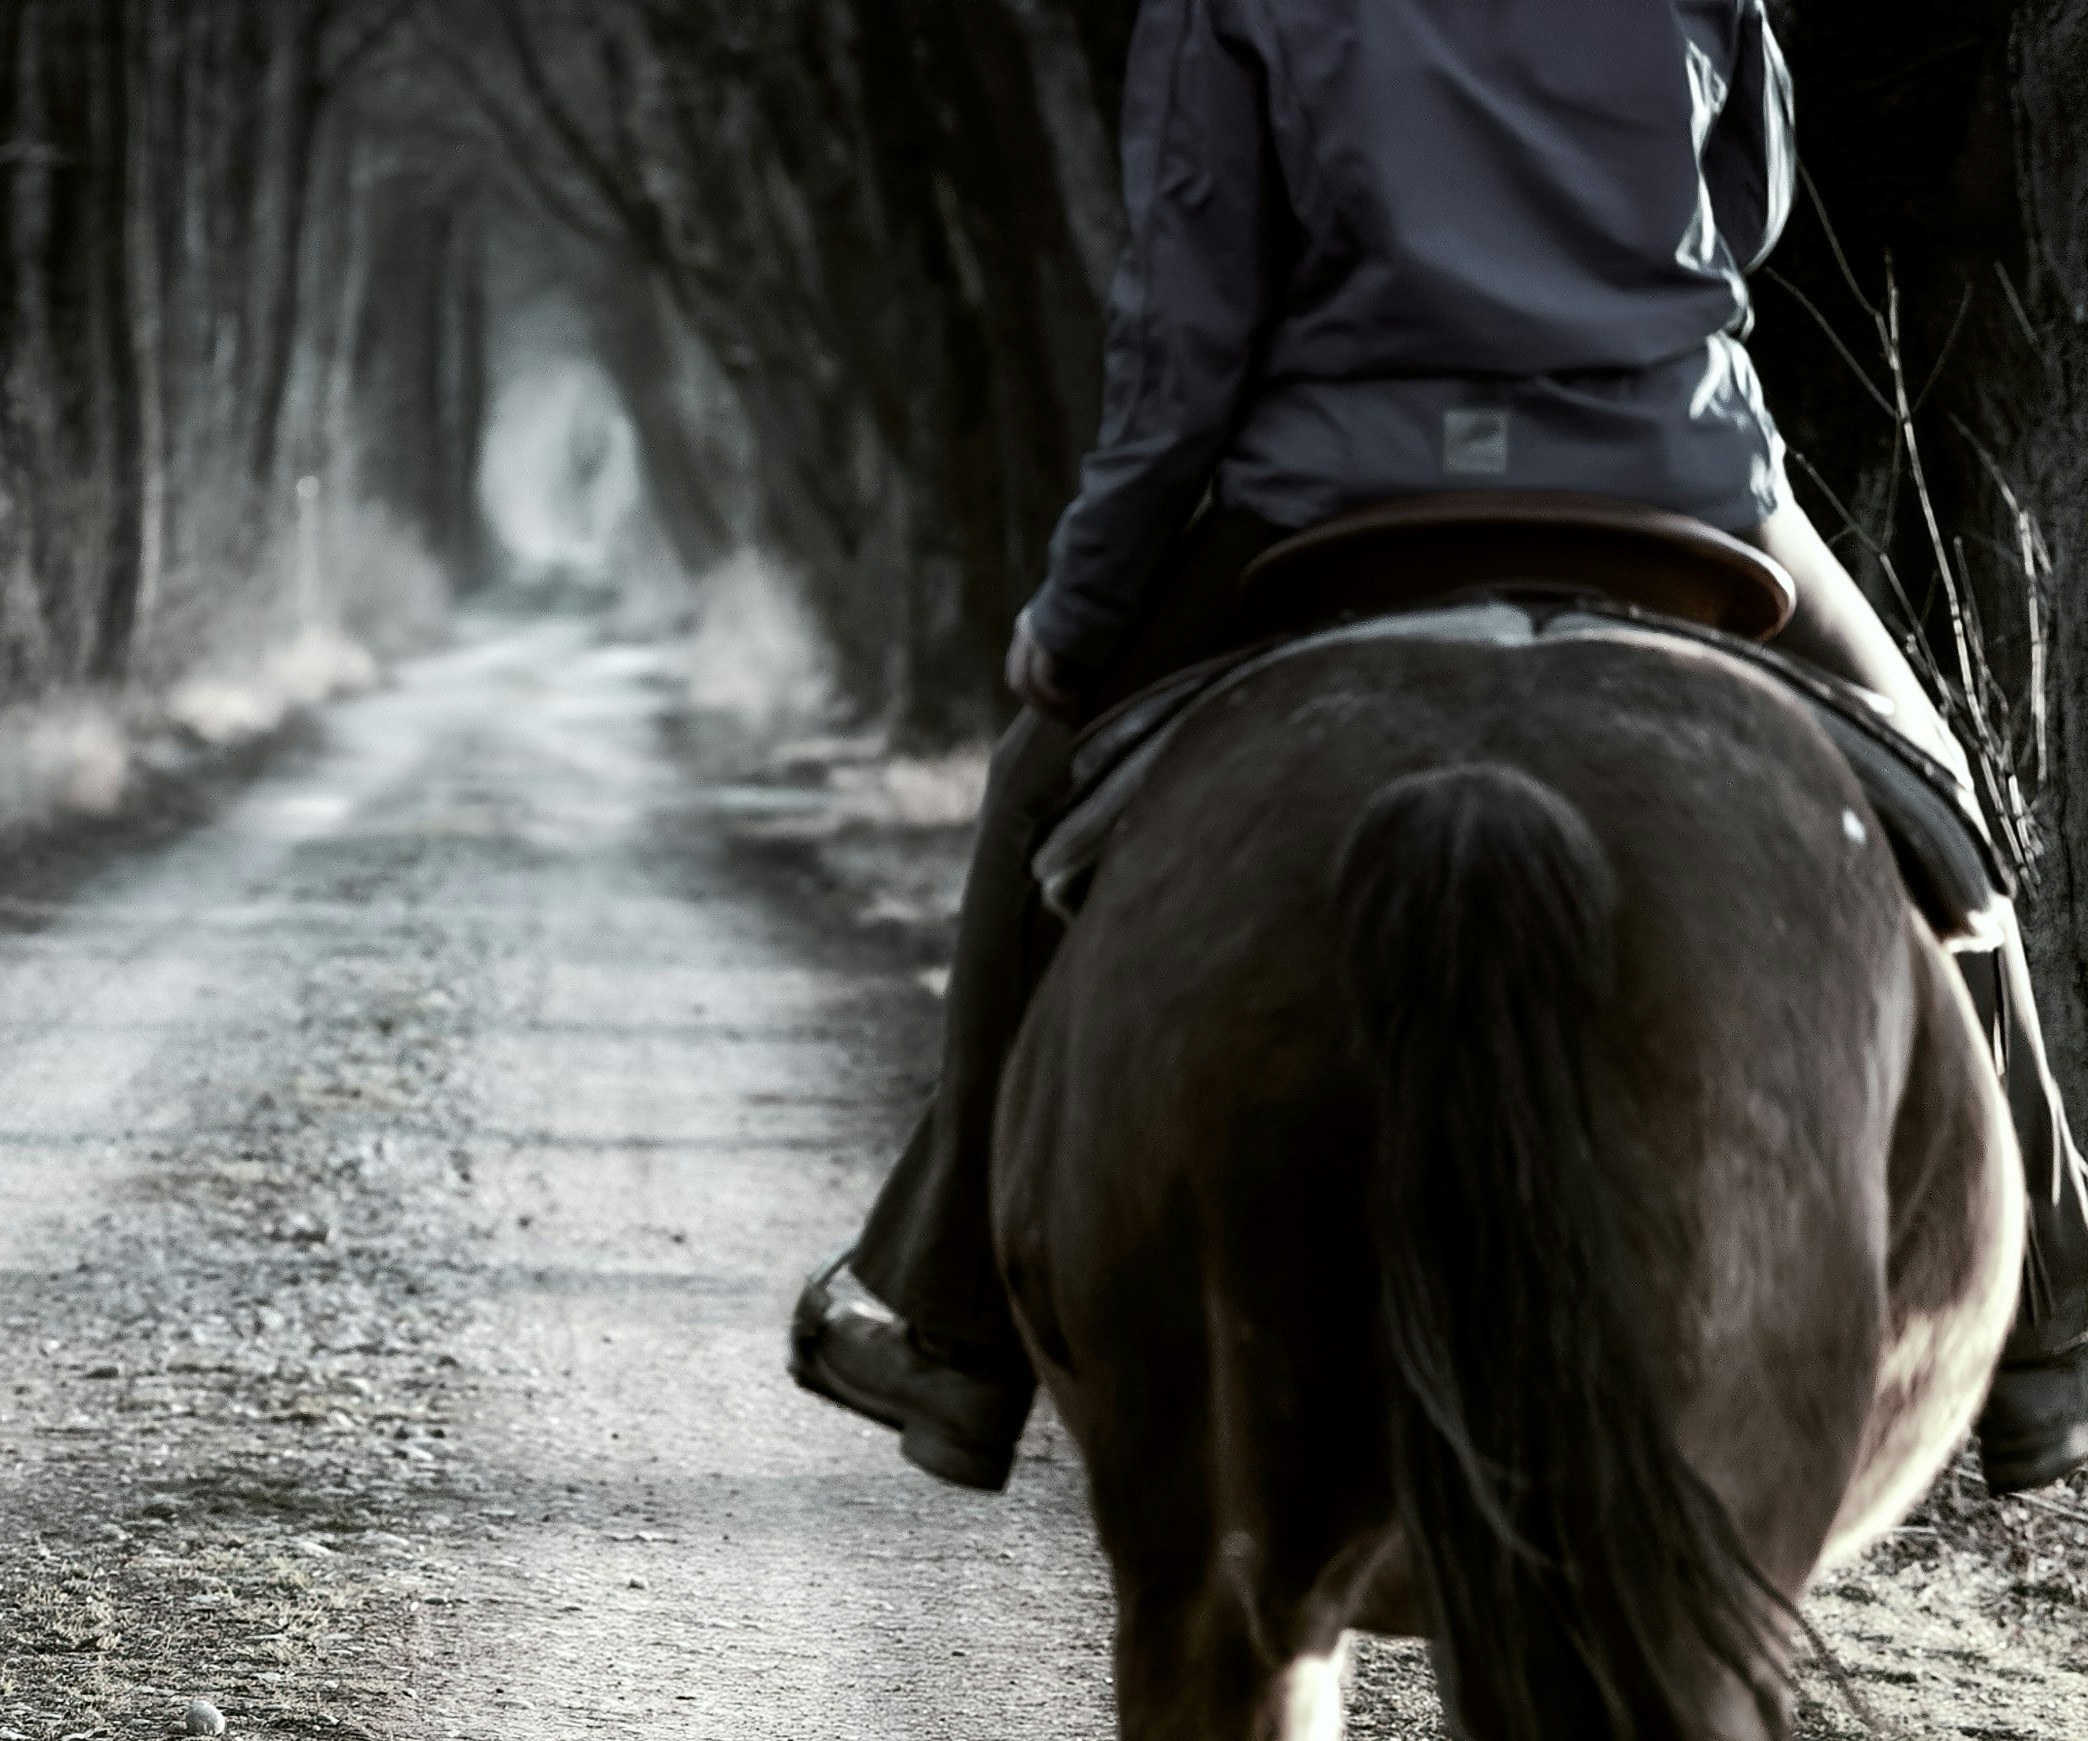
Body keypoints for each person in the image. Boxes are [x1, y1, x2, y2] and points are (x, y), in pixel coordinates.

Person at [791, 0, 2088, 1498]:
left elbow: (1185, 335)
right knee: (1939, 801)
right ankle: (2043, 1325)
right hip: (1667, 481)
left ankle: (957, 1329)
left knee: (1035, 782)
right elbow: (1751, 210)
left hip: (1342, 492)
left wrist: (1082, 617)